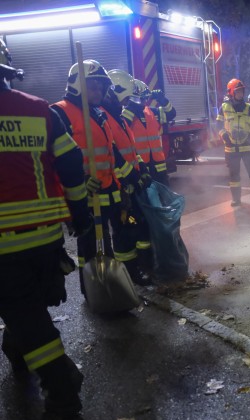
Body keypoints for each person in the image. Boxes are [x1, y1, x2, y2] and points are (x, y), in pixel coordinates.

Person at [0, 39, 91, 420]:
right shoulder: (40, 110)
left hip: (4, 246)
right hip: (45, 240)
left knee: (26, 317)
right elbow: (71, 164)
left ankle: (63, 388)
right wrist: (80, 212)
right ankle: (17, 351)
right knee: (27, 310)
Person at [51, 60, 141, 293]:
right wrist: (78, 182)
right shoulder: (59, 112)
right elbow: (53, 161)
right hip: (86, 195)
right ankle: (91, 292)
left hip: (110, 188)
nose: (100, 91)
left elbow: (111, 153)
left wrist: (123, 183)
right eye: (94, 86)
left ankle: (112, 287)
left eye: (102, 87)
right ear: (78, 85)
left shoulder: (98, 113)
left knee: (111, 243)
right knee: (89, 246)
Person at [101, 69, 153, 283]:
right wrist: (131, 177)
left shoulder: (118, 118)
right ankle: (131, 274)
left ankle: (143, 266)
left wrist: (142, 169)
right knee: (125, 231)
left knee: (137, 226)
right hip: (119, 190)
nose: (125, 104)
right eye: (123, 99)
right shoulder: (103, 117)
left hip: (128, 187)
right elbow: (113, 156)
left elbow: (131, 150)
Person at [216, 79, 250, 207]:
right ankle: (236, 199)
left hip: (248, 147)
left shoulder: (249, 108)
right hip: (231, 149)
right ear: (231, 92)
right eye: (238, 91)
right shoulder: (224, 107)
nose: (241, 93)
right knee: (234, 177)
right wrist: (224, 136)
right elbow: (218, 124)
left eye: (242, 91)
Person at [122, 79, 176, 186]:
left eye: (145, 97)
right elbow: (123, 125)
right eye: (142, 98)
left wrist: (163, 100)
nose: (144, 101)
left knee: (162, 199)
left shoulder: (153, 112)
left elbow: (171, 114)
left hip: (159, 168)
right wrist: (132, 107)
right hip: (140, 168)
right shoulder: (126, 114)